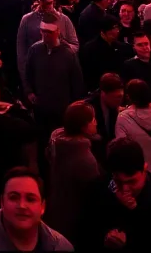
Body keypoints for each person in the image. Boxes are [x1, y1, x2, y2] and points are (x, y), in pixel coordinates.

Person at [82, 137, 151, 252]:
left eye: (131, 181)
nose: (125, 189)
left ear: (144, 169)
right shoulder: (98, 190)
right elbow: (87, 232)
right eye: (118, 181)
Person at [0, 168, 73, 252]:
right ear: (2, 202)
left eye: (30, 199)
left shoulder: (61, 246)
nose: (22, 205)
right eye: (13, 197)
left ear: (43, 207)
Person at [44, 101, 100, 241]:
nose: (96, 122)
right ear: (84, 126)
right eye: (93, 119)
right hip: (75, 220)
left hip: (55, 210)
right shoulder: (85, 160)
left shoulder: (56, 139)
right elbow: (93, 197)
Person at [23, 15, 84, 139]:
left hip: (61, 108)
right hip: (41, 107)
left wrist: (74, 105)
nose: (45, 35)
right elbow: (28, 74)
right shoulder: (35, 50)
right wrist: (29, 92)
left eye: (49, 32)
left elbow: (77, 82)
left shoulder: (68, 54)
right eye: (43, 31)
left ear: (58, 32)